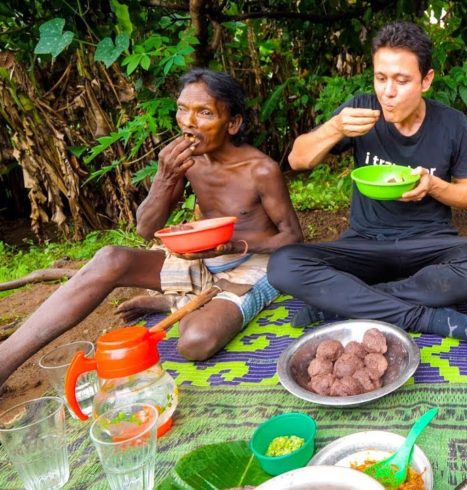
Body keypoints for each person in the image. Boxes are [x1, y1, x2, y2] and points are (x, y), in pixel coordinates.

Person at [0, 68, 303, 387]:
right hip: (200, 258)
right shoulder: (184, 161)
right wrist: (165, 177)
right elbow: (146, 229)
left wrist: (236, 246)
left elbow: (293, 237)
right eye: (182, 109)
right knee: (110, 259)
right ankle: (5, 360)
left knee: (195, 341)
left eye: (204, 113)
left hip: (252, 261)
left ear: (233, 124)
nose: (188, 122)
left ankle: (178, 300)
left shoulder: (260, 170)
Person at [268, 21, 467, 347]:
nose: (388, 92)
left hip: (429, 247)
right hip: (363, 245)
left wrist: (434, 185)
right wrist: (334, 127)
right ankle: (424, 318)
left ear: (426, 80)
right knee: (283, 265)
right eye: (381, 78)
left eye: (401, 80)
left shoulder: (451, 123)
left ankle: (345, 304)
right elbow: (297, 160)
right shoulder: (361, 109)